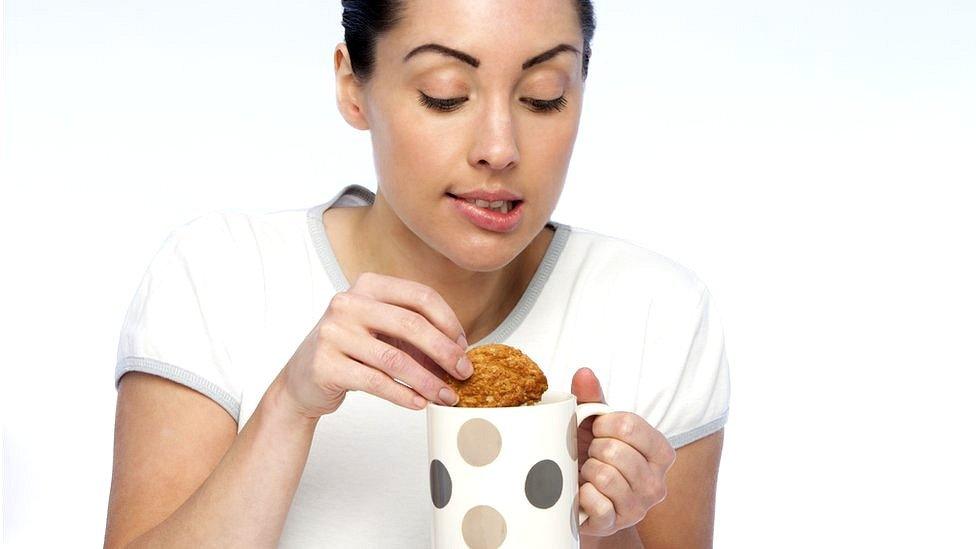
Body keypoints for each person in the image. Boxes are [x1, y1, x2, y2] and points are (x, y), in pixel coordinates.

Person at [104, 1, 731, 547]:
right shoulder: (218, 275)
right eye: (445, 93)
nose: (499, 146)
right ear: (354, 85)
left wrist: (606, 529)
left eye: (544, 94)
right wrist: (288, 407)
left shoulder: (658, 311)